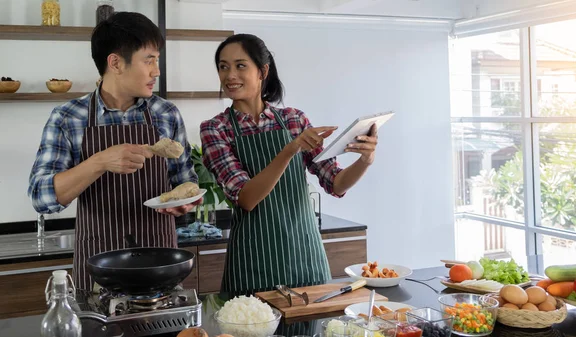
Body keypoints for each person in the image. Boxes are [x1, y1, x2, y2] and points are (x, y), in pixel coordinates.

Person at [28, 12, 200, 291]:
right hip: (100, 269)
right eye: (149, 60)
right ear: (115, 62)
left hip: (161, 266)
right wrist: (99, 162)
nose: (157, 71)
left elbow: (186, 182)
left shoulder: (166, 114)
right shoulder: (69, 117)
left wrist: (188, 200)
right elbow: (42, 197)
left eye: (157, 59)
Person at [200, 34, 379, 294]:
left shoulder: (294, 120)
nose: (230, 75)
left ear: (263, 71)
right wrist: (290, 149)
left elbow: (336, 183)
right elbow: (247, 198)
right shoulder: (216, 129)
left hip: (305, 258)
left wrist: (366, 160)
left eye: (240, 65)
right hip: (253, 263)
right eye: (223, 66)